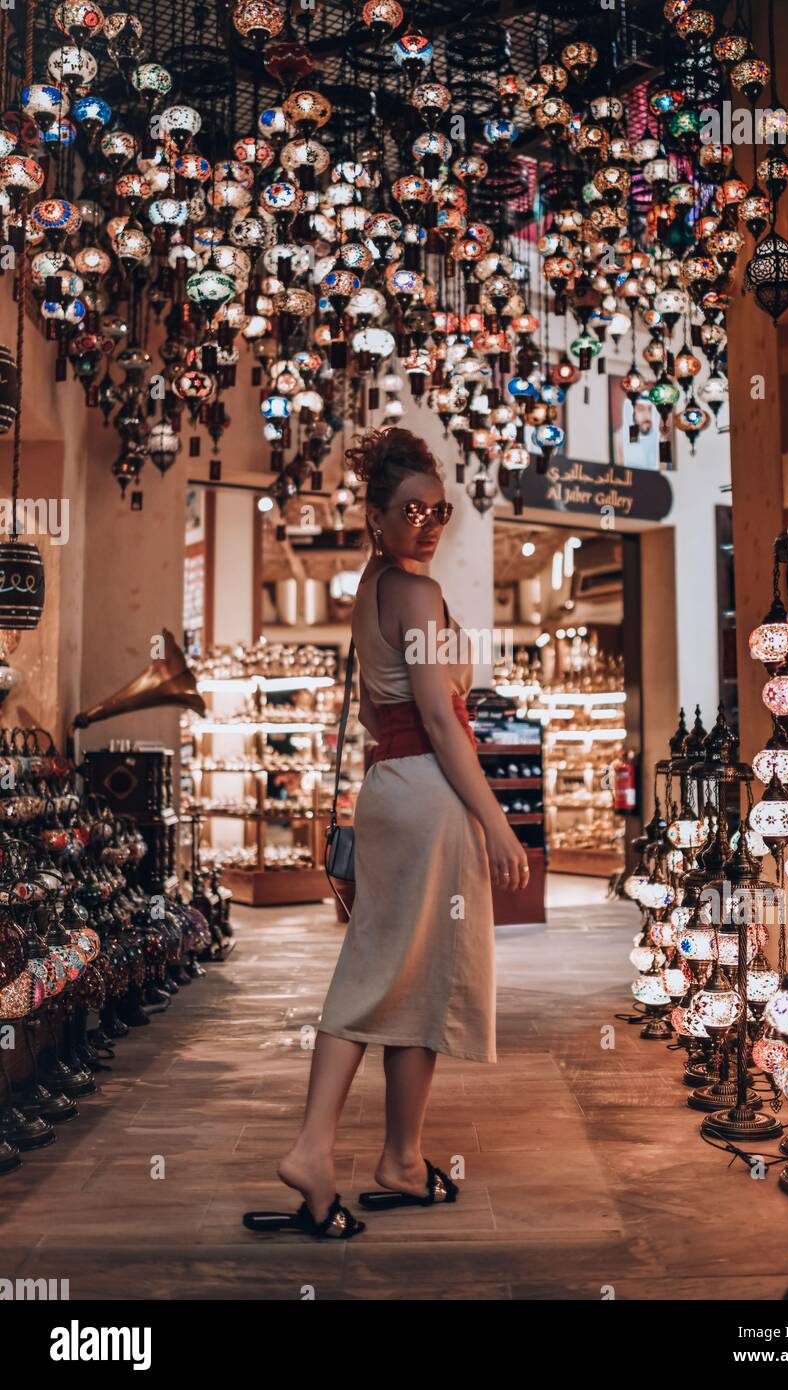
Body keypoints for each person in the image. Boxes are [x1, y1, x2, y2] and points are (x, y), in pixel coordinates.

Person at [271, 427, 529, 1239]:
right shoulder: (414, 593)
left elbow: (372, 708)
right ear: (376, 517)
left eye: (438, 509)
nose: (427, 521)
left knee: (409, 974)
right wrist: (497, 822)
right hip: (426, 792)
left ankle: (403, 1159)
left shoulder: (372, 585)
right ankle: (318, 1148)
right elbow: (440, 720)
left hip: (390, 787)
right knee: (388, 971)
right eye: (409, 509)